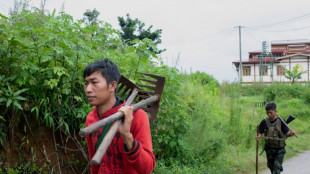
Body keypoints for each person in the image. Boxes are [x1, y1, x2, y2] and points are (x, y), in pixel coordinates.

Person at [83, 59, 155, 174]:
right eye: (86, 83)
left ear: (112, 85)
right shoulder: (91, 119)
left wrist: (127, 136)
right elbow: (95, 165)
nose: (88, 89)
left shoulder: (137, 116)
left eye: (94, 82)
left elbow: (147, 168)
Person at [255, 102, 296, 174]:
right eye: (267, 113)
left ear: (275, 112)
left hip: (280, 150)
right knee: (271, 167)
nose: (269, 114)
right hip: (269, 149)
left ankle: (278, 168)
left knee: (276, 169)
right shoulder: (264, 121)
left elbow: (287, 134)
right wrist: (258, 137)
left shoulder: (282, 122)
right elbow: (260, 133)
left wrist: (291, 133)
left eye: (270, 112)